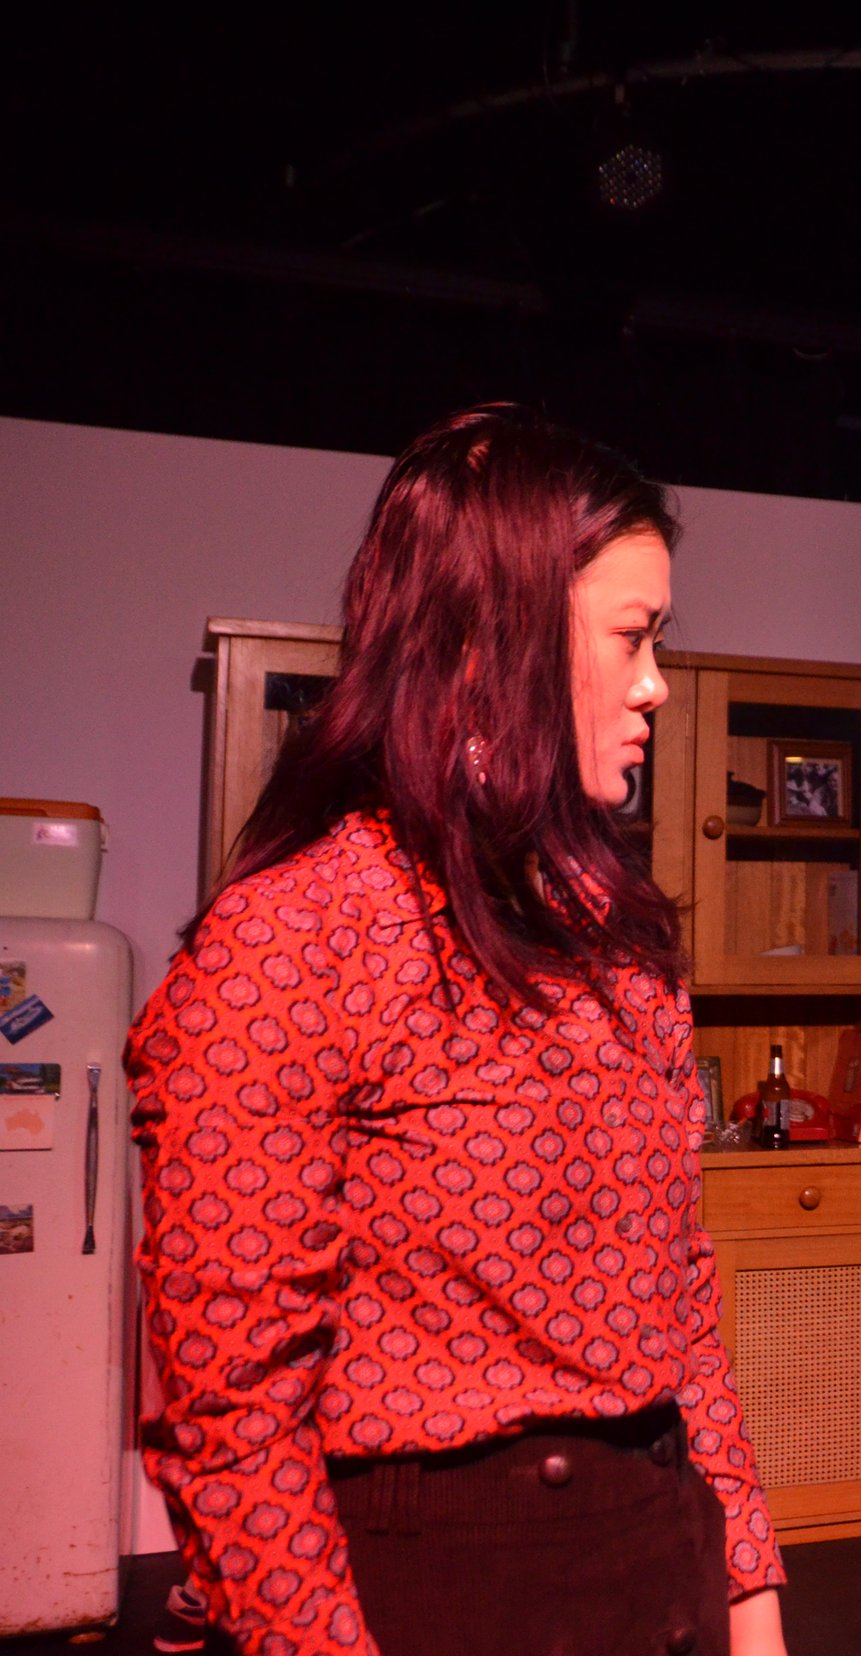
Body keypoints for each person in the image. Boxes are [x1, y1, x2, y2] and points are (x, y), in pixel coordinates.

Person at [125, 406, 787, 1656]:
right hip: (442, 1592)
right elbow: (232, 1402)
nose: (656, 682)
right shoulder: (295, 937)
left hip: (660, 1555)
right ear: (498, 641)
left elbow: (680, 1300)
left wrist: (750, 1594)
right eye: (633, 638)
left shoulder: (615, 929)